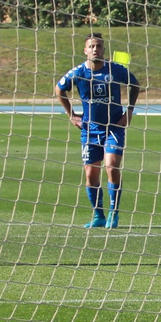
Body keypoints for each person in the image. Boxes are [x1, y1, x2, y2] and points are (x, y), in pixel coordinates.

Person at [56, 33, 141, 228]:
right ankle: (98, 216)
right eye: (92, 46)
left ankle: (114, 213)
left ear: (104, 49)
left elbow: (135, 84)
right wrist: (71, 114)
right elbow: (59, 90)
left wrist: (129, 111)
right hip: (90, 130)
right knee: (91, 175)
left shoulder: (116, 70)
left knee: (111, 166)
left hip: (114, 127)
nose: (95, 49)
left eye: (99, 46)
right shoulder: (78, 73)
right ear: (85, 50)